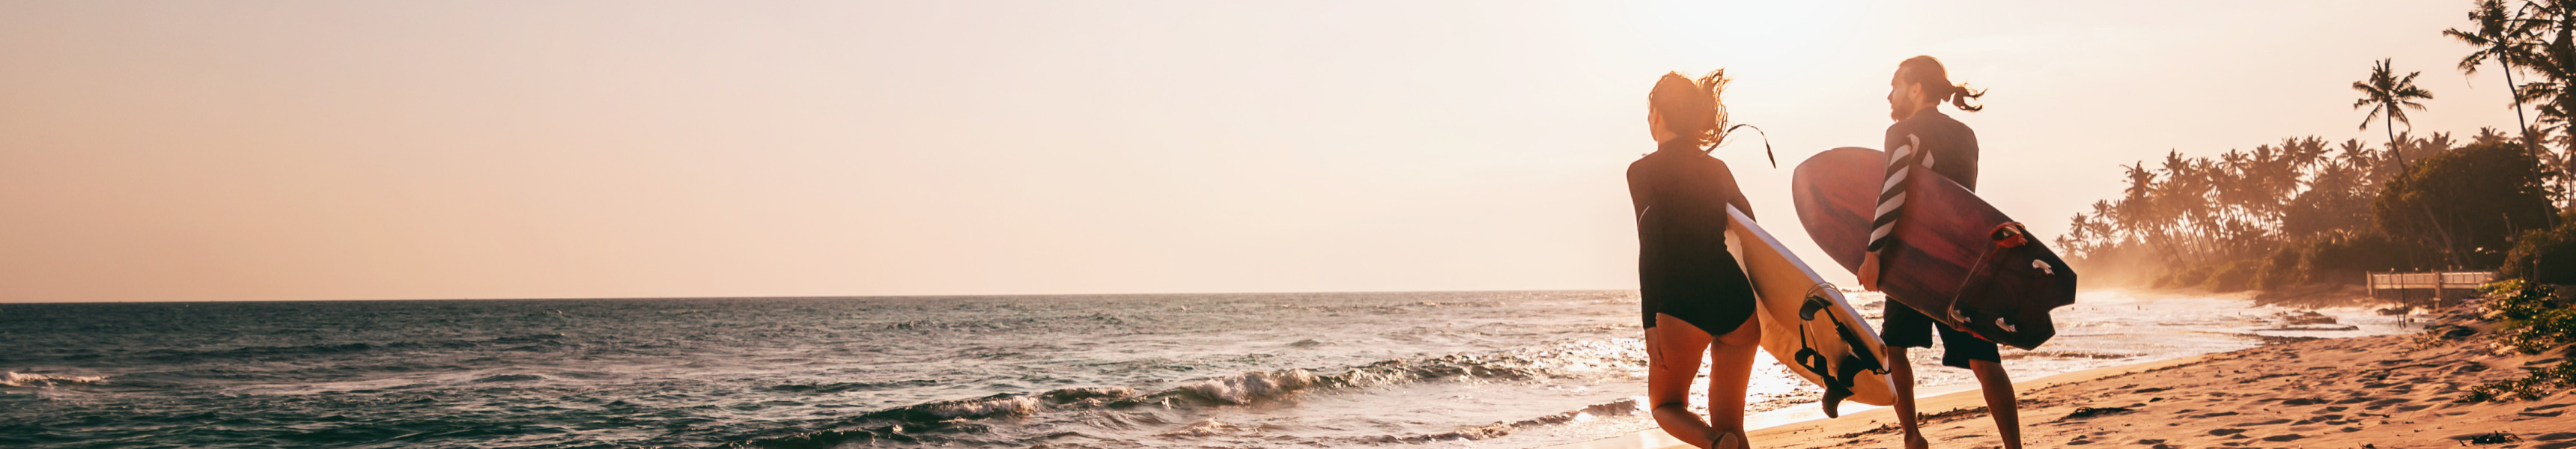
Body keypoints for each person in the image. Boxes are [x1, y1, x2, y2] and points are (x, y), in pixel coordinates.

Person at [1855, 55, 2019, 449]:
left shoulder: (1902, 132)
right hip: (1960, 262)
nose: (1889, 95)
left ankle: (1913, 437)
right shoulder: (1966, 135)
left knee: (1893, 348)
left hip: (1913, 259)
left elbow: (1893, 191)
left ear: (1916, 88)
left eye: (1895, 85)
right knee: (1983, 358)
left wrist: (1874, 251)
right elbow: (1964, 200)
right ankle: (2015, 447)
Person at [1627, 70, 1761, 449]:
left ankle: (1715, 443)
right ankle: (1726, 439)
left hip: (1681, 301)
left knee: (1666, 405)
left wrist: (1649, 321)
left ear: (1657, 115)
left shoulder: (1641, 171)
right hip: (1734, 299)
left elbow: (1649, 243)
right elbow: (1750, 225)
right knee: (1733, 421)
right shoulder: (1716, 169)